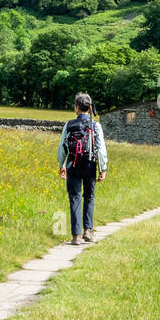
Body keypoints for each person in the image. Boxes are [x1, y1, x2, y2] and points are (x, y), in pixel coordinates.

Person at [56, 92, 108, 245]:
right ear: (90, 108)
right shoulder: (95, 125)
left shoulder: (69, 124)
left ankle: (76, 236)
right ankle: (88, 231)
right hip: (90, 165)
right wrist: (103, 168)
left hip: (73, 164)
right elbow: (101, 148)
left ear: (77, 107)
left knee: (75, 198)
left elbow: (62, 147)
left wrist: (62, 164)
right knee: (89, 196)